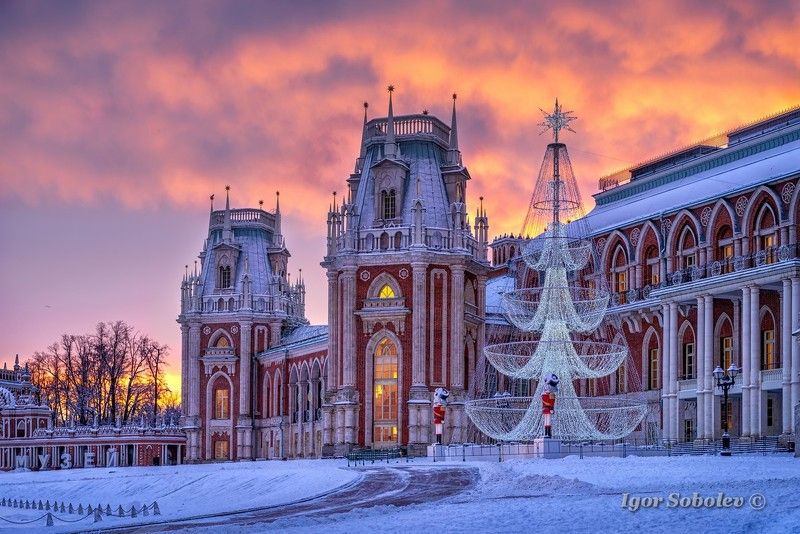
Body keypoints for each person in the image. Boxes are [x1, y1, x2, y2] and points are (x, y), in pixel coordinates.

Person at [541, 374, 559, 438]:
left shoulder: (550, 394)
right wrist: (551, 408)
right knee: (546, 421)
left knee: (548, 421)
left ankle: (548, 433)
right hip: (547, 409)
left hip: (547, 409)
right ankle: (547, 433)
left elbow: (552, 403)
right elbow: (551, 403)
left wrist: (551, 408)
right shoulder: (548, 394)